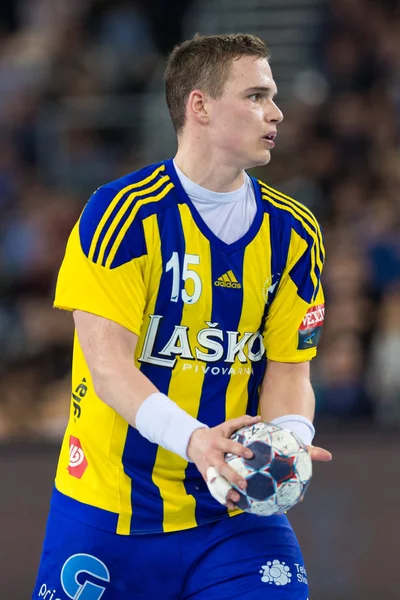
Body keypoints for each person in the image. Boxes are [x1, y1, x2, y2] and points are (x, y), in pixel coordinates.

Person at [33, 33, 332, 600]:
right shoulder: (122, 212)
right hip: (109, 510)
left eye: (273, 96)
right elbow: (108, 366)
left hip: (234, 514)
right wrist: (196, 440)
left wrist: (290, 440)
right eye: (256, 95)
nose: (277, 111)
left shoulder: (295, 233)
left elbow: (291, 371)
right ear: (200, 106)